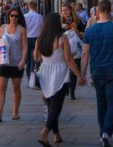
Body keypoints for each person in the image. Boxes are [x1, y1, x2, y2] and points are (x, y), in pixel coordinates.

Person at [34, 12, 86, 146]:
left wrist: (36, 46)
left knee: (51, 105)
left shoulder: (40, 38)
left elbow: (37, 58)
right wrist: (79, 75)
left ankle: (56, 135)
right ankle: (45, 131)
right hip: (59, 74)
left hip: (45, 72)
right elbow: (68, 59)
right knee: (56, 107)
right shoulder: (62, 38)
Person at [80, 0, 113, 147]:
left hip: (97, 71)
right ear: (110, 11)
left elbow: (85, 54)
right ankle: (106, 132)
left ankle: (102, 133)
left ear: (97, 12)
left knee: (101, 102)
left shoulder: (89, 31)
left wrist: (82, 74)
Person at [0, 5, 28, 122]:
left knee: (16, 88)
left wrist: (23, 60)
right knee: (1, 87)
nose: (13, 18)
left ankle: (15, 112)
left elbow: (24, 47)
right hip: (3, 61)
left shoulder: (22, 30)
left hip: (16, 63)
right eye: (11, 15)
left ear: (19, 17)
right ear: (9, 16)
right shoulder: (3, 27)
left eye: (16, 16)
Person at [60, 4, 84, 100]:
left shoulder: (77, 21)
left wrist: (77, 32)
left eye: (66, 10)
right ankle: (65, 88)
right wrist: (61, 27)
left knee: (74, 70)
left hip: (76, 49)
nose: (64, 12)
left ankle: (72, 92)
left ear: (70, 10)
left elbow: (83, 34)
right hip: (63, 49)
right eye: (62, 11)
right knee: (64, 70)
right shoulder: (59, 22)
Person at [24, 1, 44, 88]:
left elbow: (23, 29)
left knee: (28, 60)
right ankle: (35, 81)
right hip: (36, 39)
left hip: (27, 39)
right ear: (36, 6)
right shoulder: (39, 17)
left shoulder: (25, 16)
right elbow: (42, 28)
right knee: (36, 61)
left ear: (28, 6)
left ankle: (29, 80)